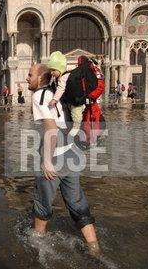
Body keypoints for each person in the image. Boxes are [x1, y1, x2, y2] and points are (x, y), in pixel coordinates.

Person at [26, 63, 100, 257]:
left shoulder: (39, 96)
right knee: (78, 206)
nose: (27, 78)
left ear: (41, 78)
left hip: (55, 157)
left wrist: (47, 162)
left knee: (42, 206)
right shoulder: (57, 92)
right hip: (72, 154)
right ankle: (95, 250)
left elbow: (51, 129)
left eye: (30, 75)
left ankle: (37, 251)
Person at [47, 51, 82, 137]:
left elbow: (60, 89)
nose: (52, 73)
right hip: (71, 99)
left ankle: (77, 127)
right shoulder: (63, 75)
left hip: (76, 100)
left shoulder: (63, 77)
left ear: (60, 68)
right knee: (72, 113)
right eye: (50, 70)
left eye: (54, 70)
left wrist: (54, 100)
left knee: (76, 114)